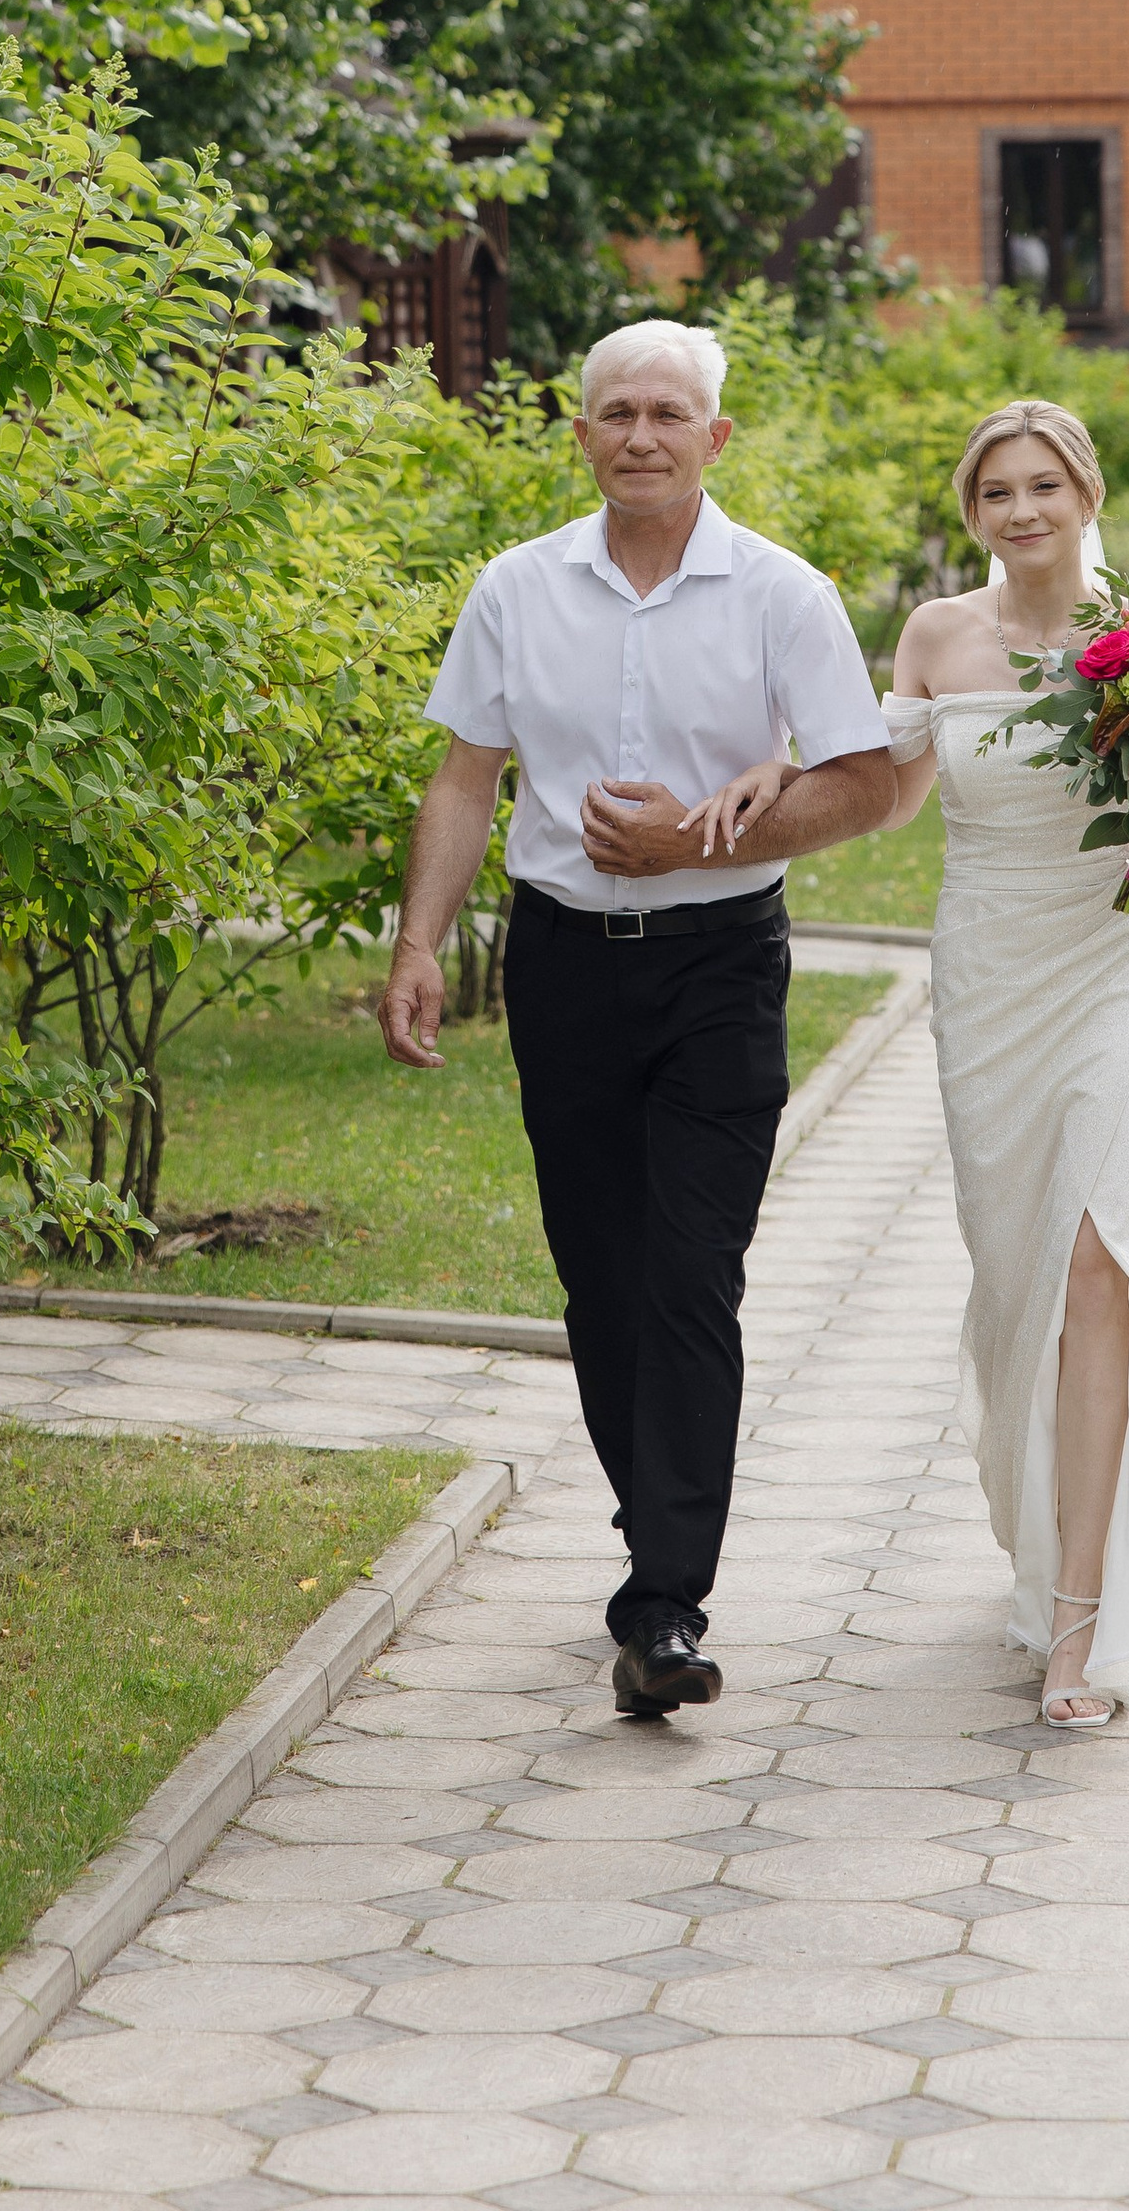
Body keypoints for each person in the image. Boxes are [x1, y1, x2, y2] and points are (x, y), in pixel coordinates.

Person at [376, 318, 895, 1722]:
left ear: (715, 438)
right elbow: (465, 778)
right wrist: (421, 940)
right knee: (601, 1285)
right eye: (617, 412)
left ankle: (663, 1603)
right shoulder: (516, 588)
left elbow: (866, 784)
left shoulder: (783, 595)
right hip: (560, 967)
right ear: (582, 431)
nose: (643, 436)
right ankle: (650, 1533)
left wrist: (705, 847)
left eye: (671, 413)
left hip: (723, 967)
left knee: (688, 1273)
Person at [691, 399, 1129, 1728]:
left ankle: (1084, 1622)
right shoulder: (938, 634)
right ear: (973, 511)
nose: (1025, 510)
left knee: (1104, 1261)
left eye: (1046, 485)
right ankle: (1050, 1530)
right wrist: (776, 770)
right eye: (999, 493)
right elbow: (886, 783)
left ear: (1089, 492)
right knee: (1017, 1292)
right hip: (987, 985)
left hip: (1114, 970)